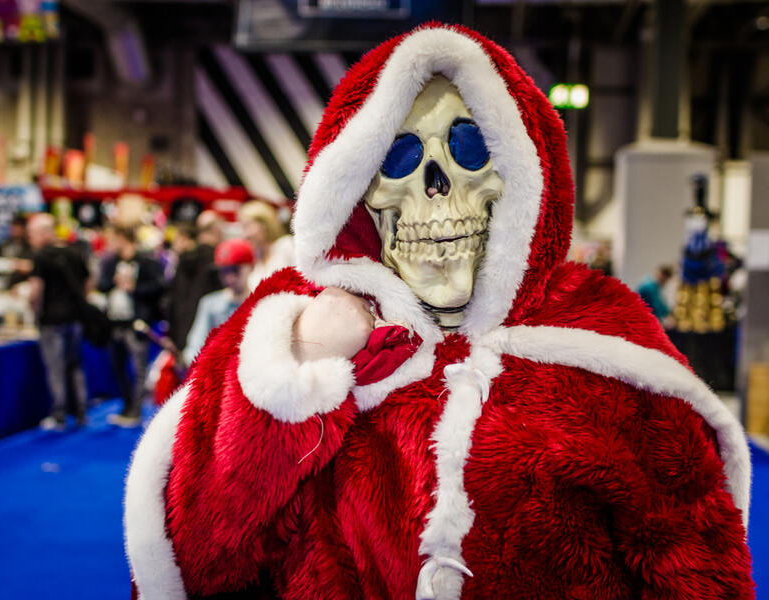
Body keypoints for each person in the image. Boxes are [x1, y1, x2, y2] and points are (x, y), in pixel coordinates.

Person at [125, 25, 752, 599]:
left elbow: (695, 561)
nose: (435, 185)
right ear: (352, 187)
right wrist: (300, 374)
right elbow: (197, 558)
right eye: (395, 160)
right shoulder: (283, 330)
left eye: (470, 149)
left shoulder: (601, 337)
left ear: (524, 174)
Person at [97, 225, 164, 427]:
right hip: (114, 322)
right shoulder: (110, 262)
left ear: (123, 238)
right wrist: (114, 282)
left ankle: (136, 410)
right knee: (117, 367)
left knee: (138, 368)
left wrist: (134, 288)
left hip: (136, 322)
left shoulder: (147, 262)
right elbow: (101, 285)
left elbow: (159, 287)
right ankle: (127, 406)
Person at [26, 213, 89, 431]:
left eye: (32, 234)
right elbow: (88, 282)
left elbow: (36, 290)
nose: (30, 239)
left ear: (44, 233)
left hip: (52, 320)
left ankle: (59, 414)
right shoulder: (74, 253)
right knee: (75, 366)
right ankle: (80, 411)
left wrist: (34, 310)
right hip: (75, 317)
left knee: (56, 368)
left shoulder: (41, 257)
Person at [182, 238, 254, 366]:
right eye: (224, 271)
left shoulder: (262, 303)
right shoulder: (209, 304)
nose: (229, 278)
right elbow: (195, 347)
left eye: (235, 270)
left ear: (251, 266)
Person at [167, 211, 223, 350]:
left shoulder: (183, 259)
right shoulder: (218, 261)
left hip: (181, 336)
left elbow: (172, 301)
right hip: (208, 341)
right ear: (216, 230)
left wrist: (173, 336)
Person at [239, 200, 295, 291]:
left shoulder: (285, 246)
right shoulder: (255, 267)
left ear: (264, 225)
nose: (245, 235)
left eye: (247, 226)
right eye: (242, 228)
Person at [0, 214, 33, 288]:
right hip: (4, 284)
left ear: (24, 228)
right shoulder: (4, 243)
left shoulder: (30, 245)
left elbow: (31, 266)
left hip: (23, 285)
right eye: (13, 226)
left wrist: (12, 264)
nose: (15, 229)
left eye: (18, 226)